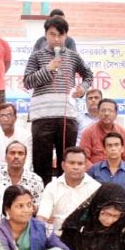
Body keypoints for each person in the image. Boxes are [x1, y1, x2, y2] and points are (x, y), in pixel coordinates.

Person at [24, 16, 93, 185]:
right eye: (52, 34)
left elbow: (89, 75)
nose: (56, 39)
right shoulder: (37, 56)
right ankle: (42, 197)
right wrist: (48, 68)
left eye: (60, 35)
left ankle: (66, 198)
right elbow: (27, 81)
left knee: (67, 161)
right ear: (45, 35)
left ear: (66, 36)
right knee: (41, 162)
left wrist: (83, 88)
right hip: (42, 117)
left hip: (66, 117)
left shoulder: (73, 56)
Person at [37, 147, 101, 235]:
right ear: (63, 165)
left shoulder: (96, 188)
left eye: (80, 163)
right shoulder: (52, 187)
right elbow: (42, 217)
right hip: (58, 238)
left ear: (86, 166)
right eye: (72, 163)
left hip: (86, 238)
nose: (76, 167)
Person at [80, 99, 125, 169]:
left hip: (119, 173)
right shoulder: (88, 132)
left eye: (110, 111)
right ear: (97, 113)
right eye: (103, 110)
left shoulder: (123, 132)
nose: (106, 113)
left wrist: (122, 173)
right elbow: (83, 158)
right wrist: (96, 172)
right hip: (95, 174)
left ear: (116, 114)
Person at [0, 141, 44, 205]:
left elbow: (38, 206)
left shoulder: (36, 180)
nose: (16, 156)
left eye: (20, 153)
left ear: (25, 158)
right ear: (5, 157)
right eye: (12, 153)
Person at [0, 102, 32, 170]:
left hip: (22, 172)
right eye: (2, 116)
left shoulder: (26, 135)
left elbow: (28, 161)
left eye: (9, 115)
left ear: (15, 118)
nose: (5, 119)